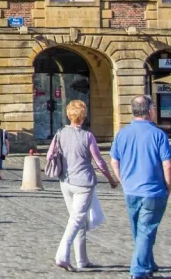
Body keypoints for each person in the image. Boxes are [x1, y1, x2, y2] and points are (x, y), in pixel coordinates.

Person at [49, 100, 118, 272]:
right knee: (77, 219)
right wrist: (110, 179)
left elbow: (50, 154)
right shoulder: (88, 136)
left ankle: (82, 259)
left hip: (66, 181)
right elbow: (99, 162)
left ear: (68, 115)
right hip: (84, 183)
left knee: (76, 218)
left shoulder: (59, 133)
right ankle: (62, 254)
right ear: (84, 116)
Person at [110, 96, 171, 279]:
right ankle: (138, 271)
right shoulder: (158, 134)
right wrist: (168, 187)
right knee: (146, 229)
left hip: (131, 190)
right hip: (152, 190)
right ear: (149, 111)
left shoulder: (122, 133)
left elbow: (114, 161)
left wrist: (123, 180)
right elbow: (168, 165)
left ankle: (148, 263)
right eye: (153, 107)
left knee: (140, 230)